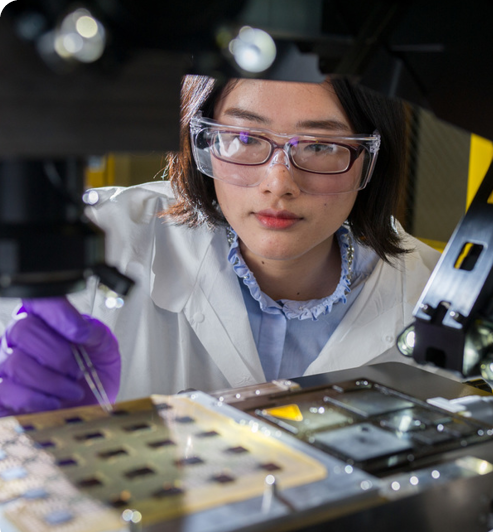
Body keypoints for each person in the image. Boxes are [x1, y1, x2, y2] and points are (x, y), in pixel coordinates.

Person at [0, 75, 440, 416]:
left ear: (371, 158)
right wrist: (33, 432)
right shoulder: (98, 240)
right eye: (245, 139)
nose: (278, 185)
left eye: (321, 145)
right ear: (202, 140)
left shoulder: (435, 296)